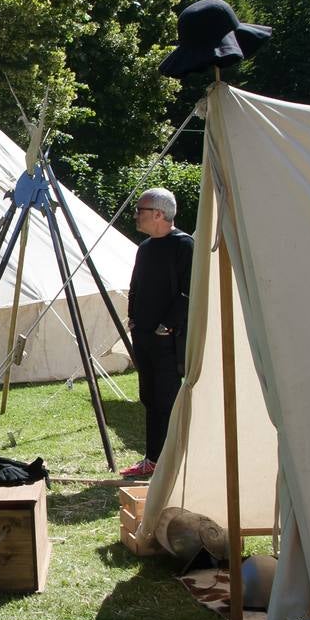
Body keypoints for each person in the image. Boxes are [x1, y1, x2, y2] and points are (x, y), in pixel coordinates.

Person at [122, 187, 194, 479]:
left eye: (141, 211)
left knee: (167, 400)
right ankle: (153, 459)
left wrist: (169, 324)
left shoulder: (184, 245)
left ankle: (173, 463)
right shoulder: (146, 248)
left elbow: (189, 292)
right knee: (150, 398)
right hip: (144, 337)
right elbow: (136, 285)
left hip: (168, 340)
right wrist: (134, 318)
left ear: (160, 214)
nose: (137, 216)